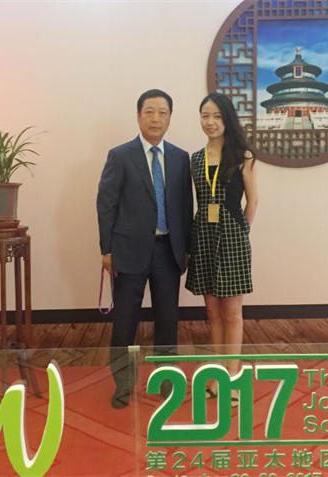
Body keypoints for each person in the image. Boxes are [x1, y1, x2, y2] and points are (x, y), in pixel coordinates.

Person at [97, 89, 193, 408]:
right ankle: (123, 386)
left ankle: (167, 384)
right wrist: (107, 250)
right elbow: (106, 205)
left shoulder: (180, 157)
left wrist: (186, 247)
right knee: (125, 322)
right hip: (128, 251)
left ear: (170, 118)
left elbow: (185, 206)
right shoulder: (120, 155)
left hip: (168, 251)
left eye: (162, 113)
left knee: (168, 322)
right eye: (149, 112)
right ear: (138, 116)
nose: (155, 119)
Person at [185, 92, 258, 401]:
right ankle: (217, 376)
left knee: (232, 313)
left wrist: (241, 232)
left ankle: (233, 377)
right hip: (203, 234)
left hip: (231, 236)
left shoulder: (243, 155)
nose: (210, 122)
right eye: (205, 116)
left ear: (227, 119)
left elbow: (252, 201)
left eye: (216, 116)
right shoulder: (195, 159)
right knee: (212, 313)